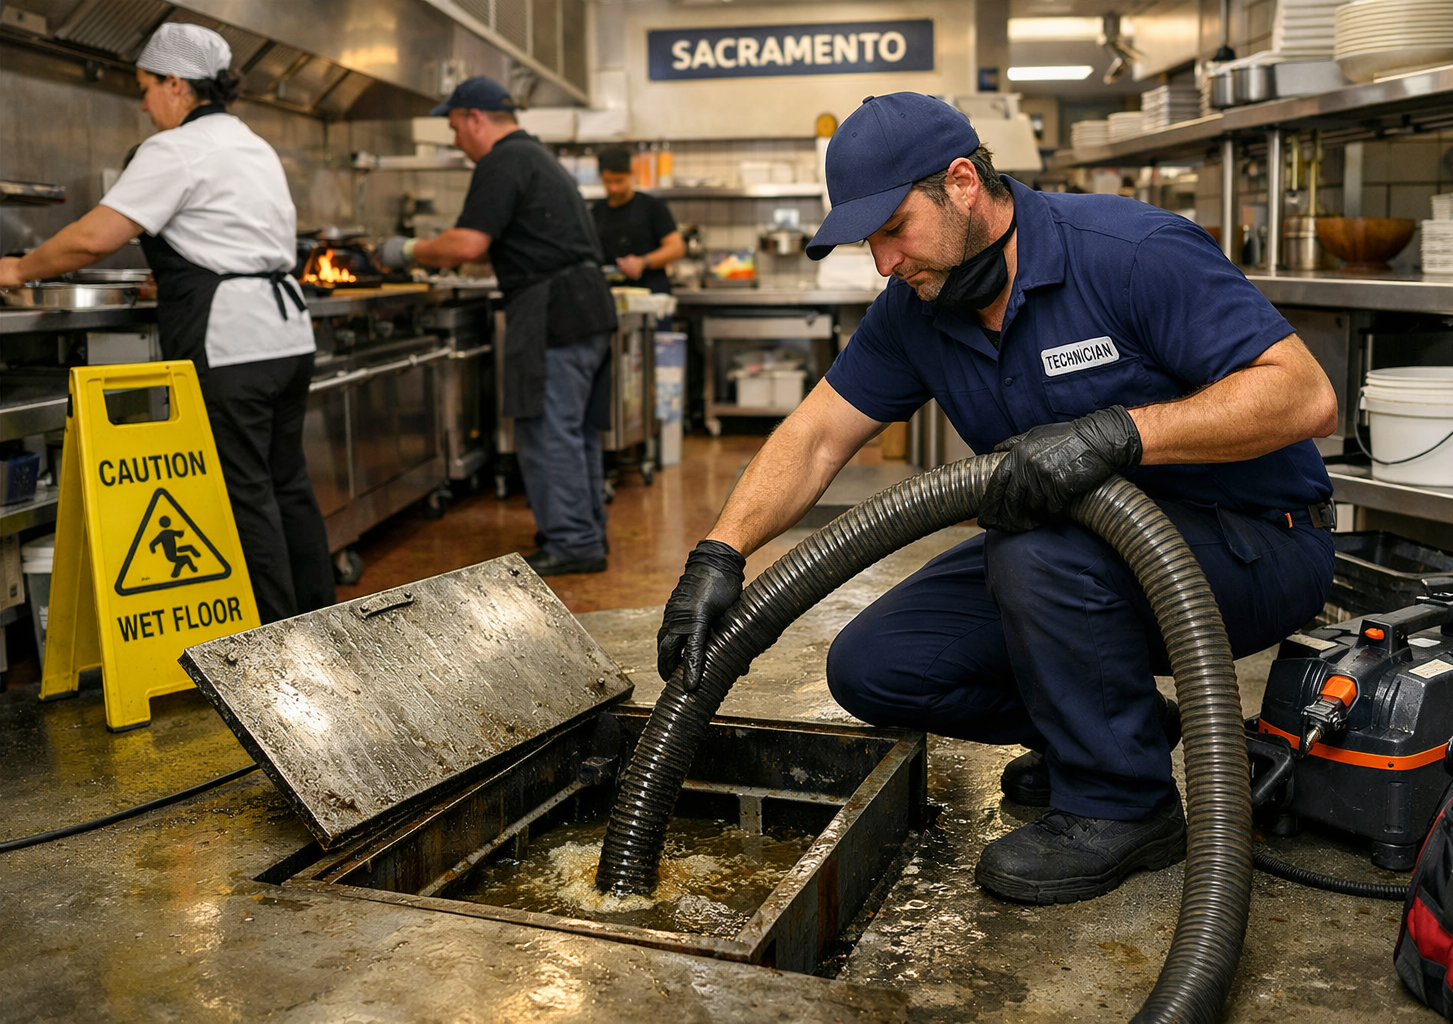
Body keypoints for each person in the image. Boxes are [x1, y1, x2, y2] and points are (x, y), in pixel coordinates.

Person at [655, 93, 1338, 906]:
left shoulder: (1128, 251)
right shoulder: (916, 310)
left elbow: (1304, 397)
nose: (883, 262)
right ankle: (1122, 731)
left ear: (962, 182)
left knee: (1034, 549)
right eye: (869, 240)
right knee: (875, 668)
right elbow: (817, 435)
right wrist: (719, 553)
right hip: (1068, 560)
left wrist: (1118, 434)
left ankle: (1126, 808)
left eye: (894, 229)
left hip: (1252, 547)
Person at [0, 22, 335, 624]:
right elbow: (231, 241)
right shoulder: (250, 143)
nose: (145, 103)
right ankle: (321, 623)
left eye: (145, 87)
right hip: (285, 336)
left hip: (231, 343)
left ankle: (279, 649)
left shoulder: (176, 148)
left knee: (245, 494)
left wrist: (19, 267)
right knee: (287, 485)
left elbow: (92, 239)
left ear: (176, 84)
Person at [380, 77, 616, 577]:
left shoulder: (502, 161)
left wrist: (404, 250)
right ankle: (582, 532)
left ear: (474, 118)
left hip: (553, 312)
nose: (454, 140)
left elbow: (467, 244)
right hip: (585, 307)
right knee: (575, 431)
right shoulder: (535, 156)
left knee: (550, 430)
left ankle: (573, 542)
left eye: (453, 127)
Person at [589, 146, 685, 294]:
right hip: (611, 295)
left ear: (631, 174)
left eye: (619, 181)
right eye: (608, 182)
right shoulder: (596, 212)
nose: (614, 188)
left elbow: (676, 247)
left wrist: (643, 262)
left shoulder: (652, 206)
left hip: (651, 294)